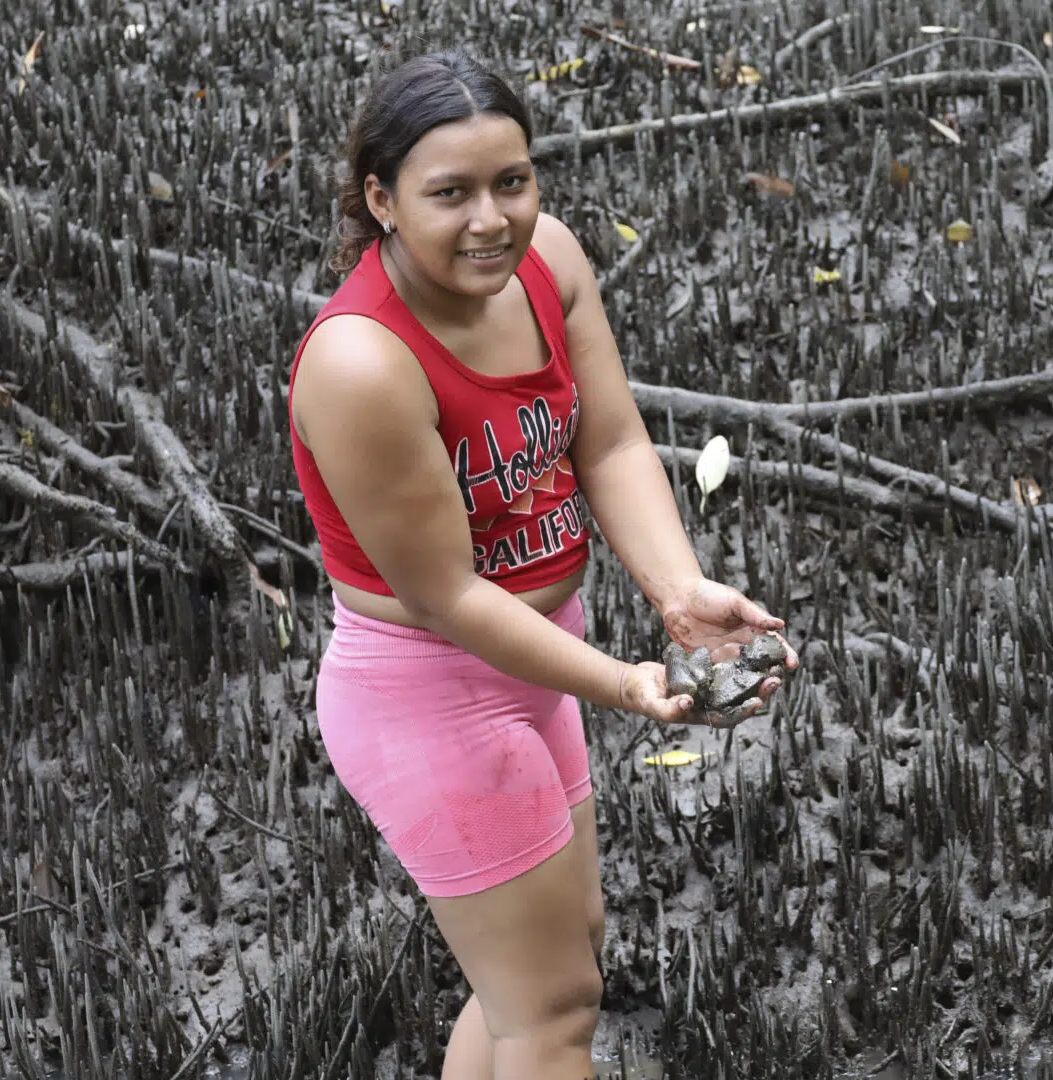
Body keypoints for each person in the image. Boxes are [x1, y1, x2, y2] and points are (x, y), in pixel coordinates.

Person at [285, 49, 799, 1080]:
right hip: (431, 698)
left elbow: (607, 442)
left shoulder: (550, 259)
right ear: (380, 199)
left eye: (511, 182)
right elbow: (446, 597)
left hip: (534, 673)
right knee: (552, 1014)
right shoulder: (360, 364)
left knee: (547, 984)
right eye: (451, 194)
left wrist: (678, 592)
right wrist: (628, 686)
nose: (492, 220)